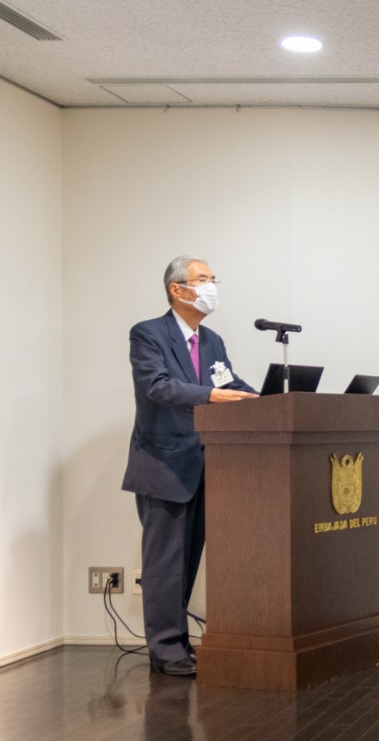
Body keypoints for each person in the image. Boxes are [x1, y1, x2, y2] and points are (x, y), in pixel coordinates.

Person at [122, 256, 256, 677]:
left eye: (214, 280)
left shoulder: (211, 339)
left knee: (188, 562)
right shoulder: (148, 334)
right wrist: (213, 397)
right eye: (203, 280)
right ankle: (165, 651)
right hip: (163, 465)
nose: (212, 286)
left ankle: (179, 645)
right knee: (164, 565)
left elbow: (227, 383)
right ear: (177, 289)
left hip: (205, 464)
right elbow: (157, 385)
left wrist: (271, 398)